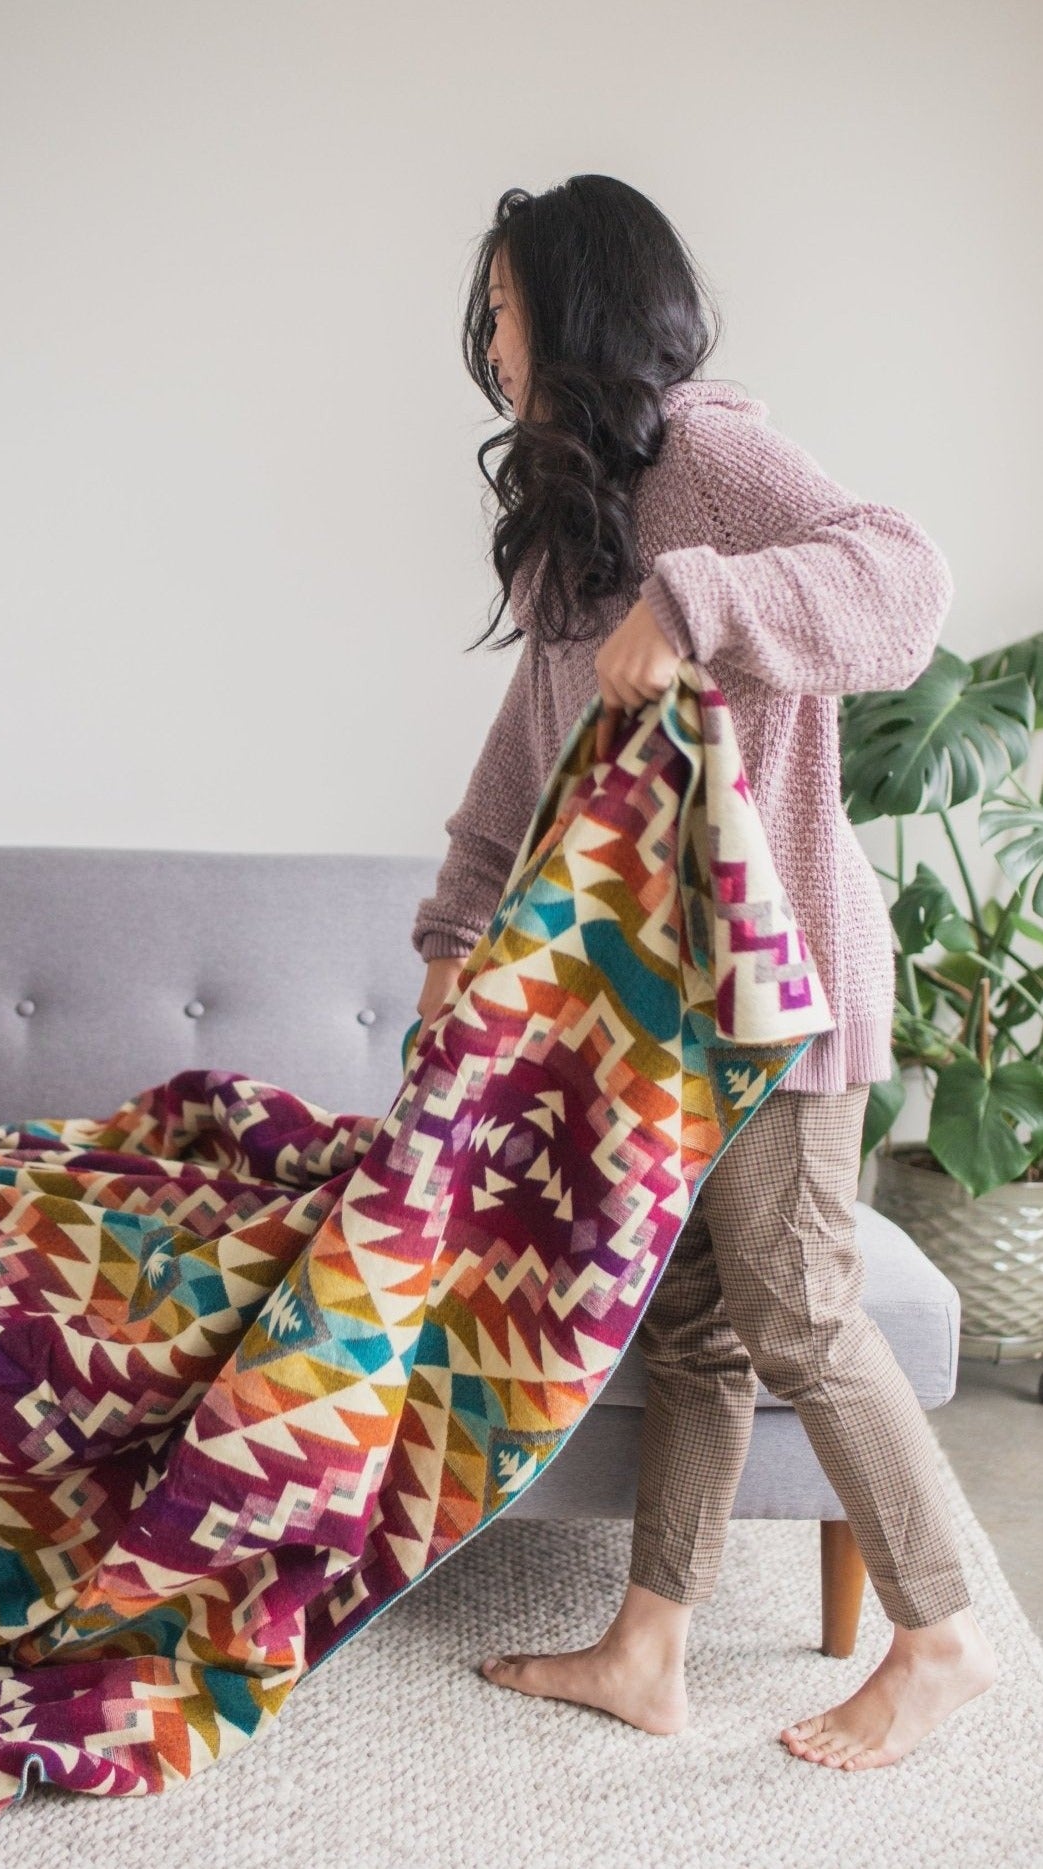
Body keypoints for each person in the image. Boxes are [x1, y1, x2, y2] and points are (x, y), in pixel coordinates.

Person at [409, 174, 996, 1771]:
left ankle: (946, 1629)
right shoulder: (572, 528)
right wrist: (455, 943)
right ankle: (649, 1647)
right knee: (689, 1327)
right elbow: (521, 766)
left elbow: (906, 582)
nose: (488, 333)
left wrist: (700, 600)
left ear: (581, 306)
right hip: (660, 1032)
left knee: (800, 1309)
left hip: (782, 997)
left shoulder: (707, 453)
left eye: (508, 301)